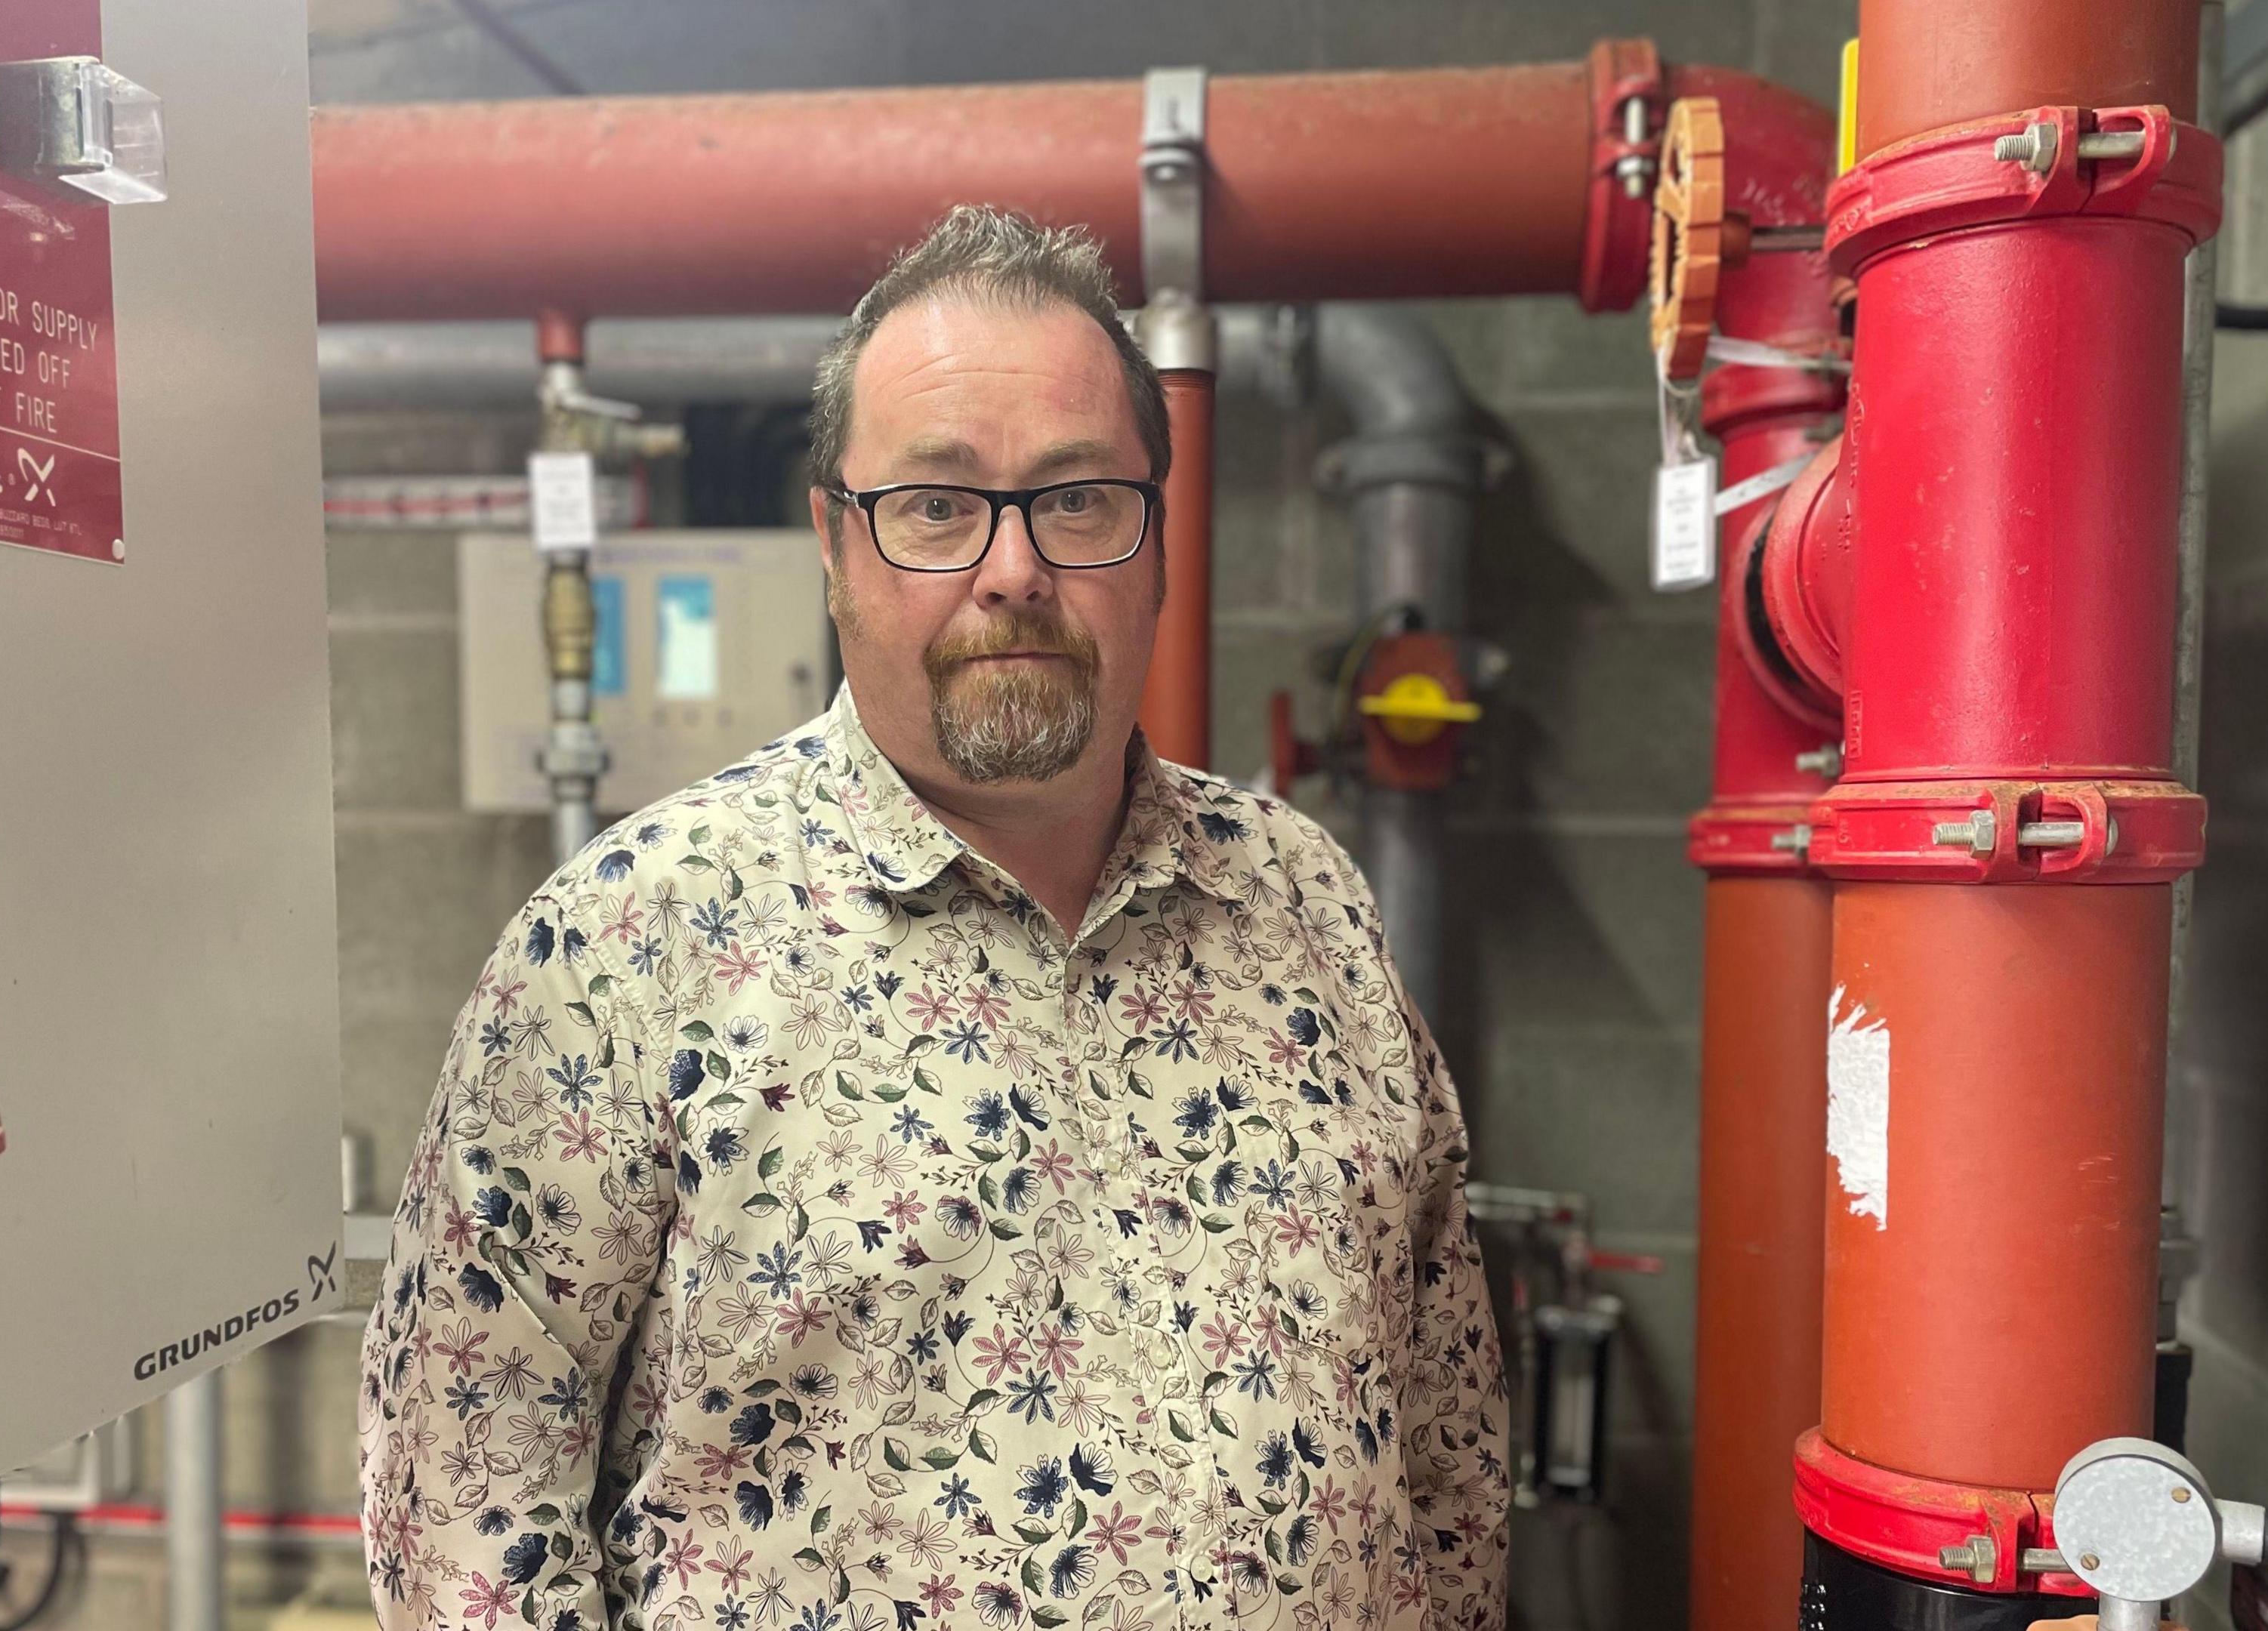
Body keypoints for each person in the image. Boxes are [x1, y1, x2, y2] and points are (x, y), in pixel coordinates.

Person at [359, 205, 1508, 1631]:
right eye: (937, 506)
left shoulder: (1302, 901)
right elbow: (467, 1512)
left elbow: (1446, 1430)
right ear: (836, 547)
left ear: (1157, 538)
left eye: (1078, 498)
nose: (1013, 569)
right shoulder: (625, 945)